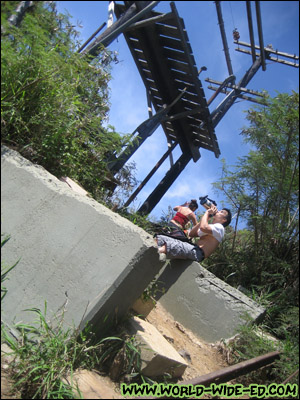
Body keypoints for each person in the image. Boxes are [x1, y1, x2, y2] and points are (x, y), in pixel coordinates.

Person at [156, 204, 231, 262]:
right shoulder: (211, 227)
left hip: (198, 252)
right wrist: (207, 218)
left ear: (224, 219)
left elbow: (203, 227)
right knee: (161, 238)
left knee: (169, 246)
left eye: (222, 212)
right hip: (192, 247)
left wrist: (207, 212)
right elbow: (192, 234)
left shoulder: (220, 228)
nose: (218, 211)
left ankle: (149, 258)